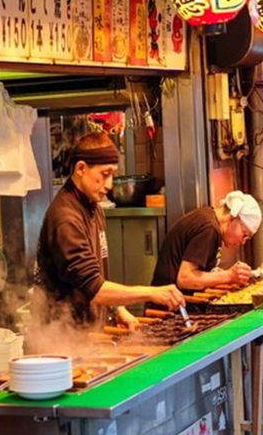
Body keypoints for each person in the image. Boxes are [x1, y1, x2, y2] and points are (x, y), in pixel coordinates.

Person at [34, 131, 184, 330]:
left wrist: (117, 308)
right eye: (105, 174)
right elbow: (93, 288)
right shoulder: (66, 218)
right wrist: (152, 293)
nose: (109, 185)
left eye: (112, 175)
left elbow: (95, 276)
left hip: (90, 332)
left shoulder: (94, 208)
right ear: (81, 168)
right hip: (62, 338)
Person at [151, 191, 262, 292]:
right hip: (168, 308)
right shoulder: (209, 229)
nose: (243, 242)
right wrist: (228, 276)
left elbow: (200, 273)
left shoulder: (209, 219)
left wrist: (228, 277)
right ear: (233, 219)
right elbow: (185, 279)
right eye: (244, 234)